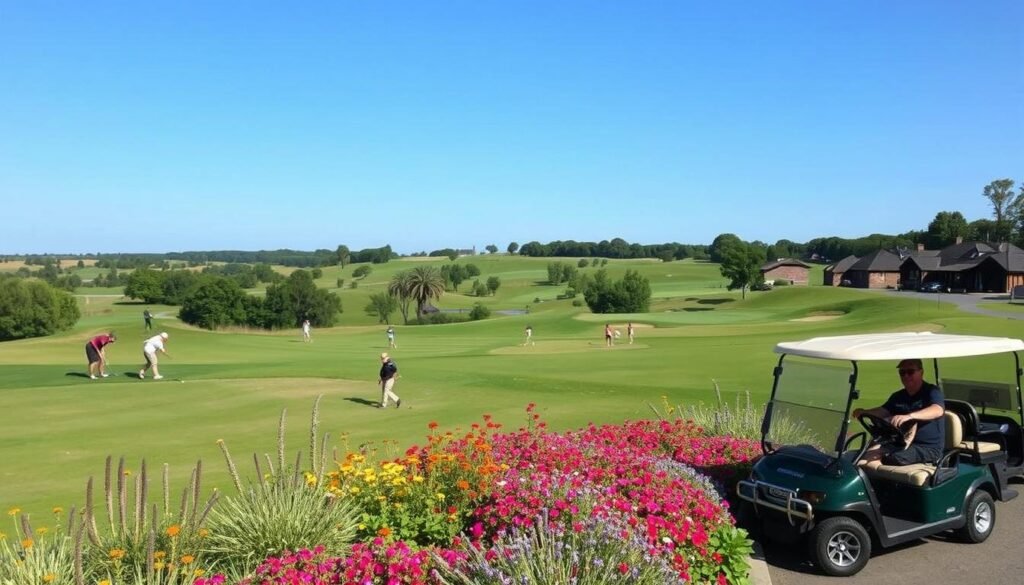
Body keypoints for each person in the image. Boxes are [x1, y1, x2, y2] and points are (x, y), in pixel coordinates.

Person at [853, 359, 945, 466]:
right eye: (902, 372)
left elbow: (937, 410)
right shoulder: (898, 396)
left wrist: (909, 416)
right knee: (858, 455)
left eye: (910, 372)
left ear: (921, 372)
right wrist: (864, 412)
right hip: (899, 444)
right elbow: (883, 411)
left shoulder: (932, 391)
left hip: (927, 448)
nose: (906, 376)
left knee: (893, 457)